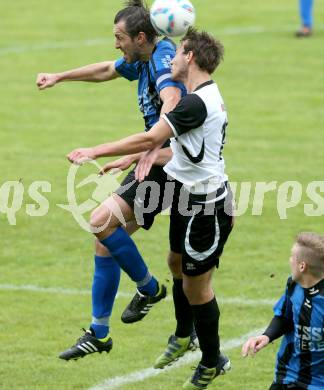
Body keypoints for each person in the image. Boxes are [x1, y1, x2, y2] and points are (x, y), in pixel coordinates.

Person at [67, 27, 233, 390]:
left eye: (176, 54)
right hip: (186, 197)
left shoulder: (194, 103)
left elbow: (150, 138)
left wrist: (95, 151)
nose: (169, 58)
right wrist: (127, 158)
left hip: (206, 208)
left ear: (189, 58)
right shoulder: (200, 96)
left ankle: (211, 360)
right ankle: (183, 334)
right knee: (177, 265)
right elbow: (174, 150)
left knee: (198, 289)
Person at [37, 0, 188, 361]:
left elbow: (172, 97)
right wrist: (60, 76)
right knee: (106, 242)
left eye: (120, 37)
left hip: (171, 166)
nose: (116, 44)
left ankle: (150, 289)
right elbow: (106, 69)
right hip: (155, 160)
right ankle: (99, 333)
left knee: (100, 221)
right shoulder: (143, 57)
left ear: (140, 36)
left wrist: (153, 141)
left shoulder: (163, 59)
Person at [242, 232, 324, 390]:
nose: (289, 260)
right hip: (286, 375)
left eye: (292, 257)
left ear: (302, 266)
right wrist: (266, 336)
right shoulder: (293, 284)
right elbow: (285, 317)